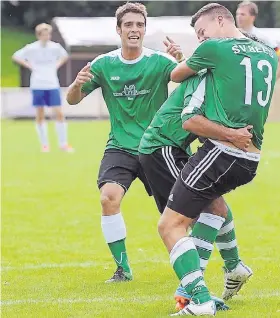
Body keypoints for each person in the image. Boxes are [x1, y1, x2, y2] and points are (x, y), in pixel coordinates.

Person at [157, 3, 279, 316]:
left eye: (202, 32)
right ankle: (227, 271)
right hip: (250, 158)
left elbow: (176, 74)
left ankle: (200, 301)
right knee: (214, 209)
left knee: (170, 226)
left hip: (223, 152)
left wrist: (187, 60)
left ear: (221, 20)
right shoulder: (264, 51)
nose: (201, 39)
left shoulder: (214, 49)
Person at [66, 3, 184, 283]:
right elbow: (73, 99)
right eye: (128, 25)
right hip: (119, 146)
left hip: (156, 147)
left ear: (145, 29)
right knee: (108, 198)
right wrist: (76, 83)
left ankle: (192, 269)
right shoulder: (103, 64)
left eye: (139, 25)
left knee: (178, 211)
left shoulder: (161, 62)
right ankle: (123, 269)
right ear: (118, 29)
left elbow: (190, 81)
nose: (134, 30)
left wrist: (182, 60)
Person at [139, 70, 254, 311]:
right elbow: (189, 119)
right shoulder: (204, 76)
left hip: (176, 148)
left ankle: (230, 270)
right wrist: (231, 134)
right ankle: (194, 293)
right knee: (194, 215)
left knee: (216, 206)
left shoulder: (219, 79)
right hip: (162, 148)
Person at [12, 23, 73, 153]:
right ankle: (44, 145)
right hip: (37, 84)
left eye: (48, 34)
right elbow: (16, 56)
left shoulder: (55, 47)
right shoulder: (31, 48)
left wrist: (57, 65)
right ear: (39, 35)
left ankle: (63, 144)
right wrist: (29, 65)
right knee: (40, 114)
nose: (47, 36)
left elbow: (65, 56)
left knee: (59, 113)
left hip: (52, 84)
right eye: (44, 34)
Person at [236, 1, 280, 79]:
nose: (239, 17)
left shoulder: (261, 38)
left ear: (252, 17)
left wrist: (271, 81)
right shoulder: (230, 36)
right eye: (237, 14)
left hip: (255, 88)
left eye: (243, 14)